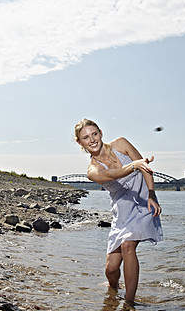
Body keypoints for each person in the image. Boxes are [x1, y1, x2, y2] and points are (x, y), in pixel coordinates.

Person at [74, 119, 163, 304]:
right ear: (80, 143)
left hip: (143, 200)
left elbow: (145, 168)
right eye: (86, 137)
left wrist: (152, 195)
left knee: (128, 246)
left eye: (94, 134)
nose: (92, 140)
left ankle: (129, 302)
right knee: (111, 268)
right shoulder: (92, 170)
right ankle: (113, 289)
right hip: (122, 208)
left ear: (100, 132)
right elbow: (114, 175)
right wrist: (133, 165)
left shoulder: (121, 144)